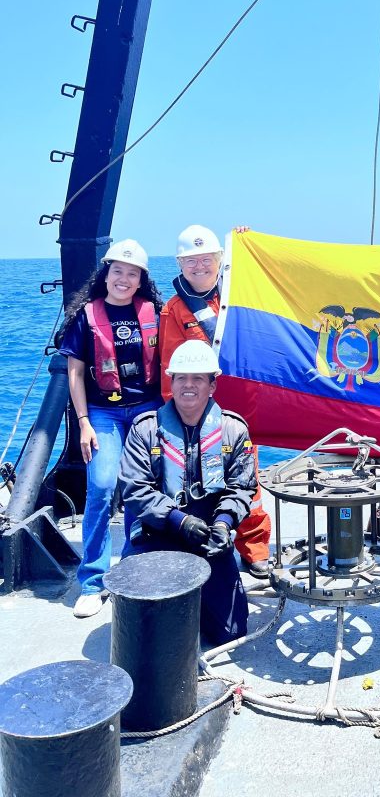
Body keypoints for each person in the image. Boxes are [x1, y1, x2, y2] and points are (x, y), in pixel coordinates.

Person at [118, 340, 253, 645]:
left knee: (230, 633)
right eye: (181, 378)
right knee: (150, 636)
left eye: (197, 379)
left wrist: (223, 524)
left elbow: (242, 487)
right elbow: (135, 490)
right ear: (171, 382)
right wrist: (178, 520)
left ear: (212, 386)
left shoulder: (234, 431)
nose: (188, 386)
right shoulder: (145, 430)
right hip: (159, 535)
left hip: (209, 537)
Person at [58, 239, 163, 618]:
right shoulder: (87, 316)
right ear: (106, 274)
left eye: (131, 273)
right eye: (117, 270)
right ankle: (92, 581)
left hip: (147, 411)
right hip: (102, 413)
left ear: (141, 280)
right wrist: (84, 422)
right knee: (101, 487)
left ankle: (133, 567)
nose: (123, 278)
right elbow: (74, 373)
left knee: (141, 489)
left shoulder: (155, 312)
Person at [159, 224, 271, 576]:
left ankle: (254, 549)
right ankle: (202, 538)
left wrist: (250, 247)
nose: (199, 267)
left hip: (245, 408)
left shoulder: (242, 293)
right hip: (202, 411)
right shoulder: (174, 311)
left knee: (245, 481)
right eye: (190, 261)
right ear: (179, 264)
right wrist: (179, 414)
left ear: (220, 260)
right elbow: (171, 367)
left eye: (206, 259)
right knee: (198, 479)